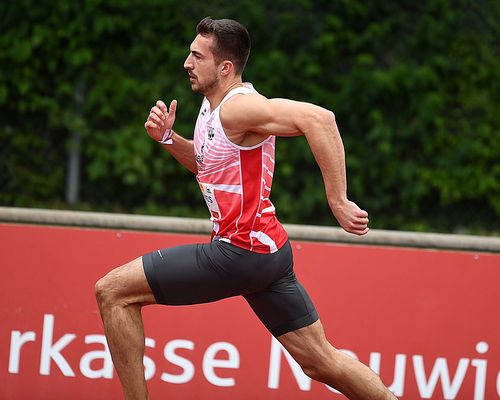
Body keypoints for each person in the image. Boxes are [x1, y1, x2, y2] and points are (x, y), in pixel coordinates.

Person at [95, 16, 397, 400]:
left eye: (196, 56)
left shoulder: (239, 108)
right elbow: (206, 162)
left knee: (113, 292)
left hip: (237, 253)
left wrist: (338, 201)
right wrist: (169, 138)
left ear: (225, 67)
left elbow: (320, 119)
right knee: (321, 361)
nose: (187, 62)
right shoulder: (211, 107)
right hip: (267, 254)